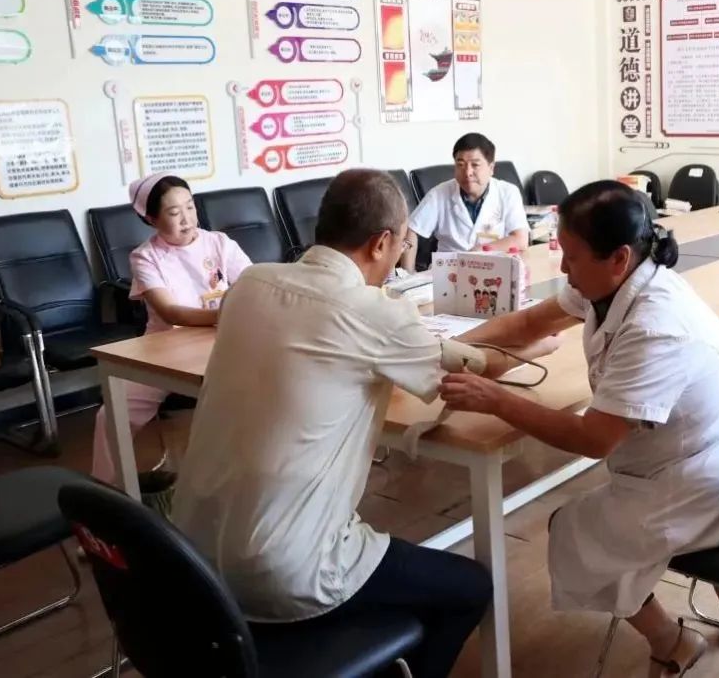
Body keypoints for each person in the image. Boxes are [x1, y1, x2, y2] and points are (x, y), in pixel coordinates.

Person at [170, 169, 559, 678]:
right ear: (380, 243)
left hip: (190, 559)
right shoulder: (374, 312)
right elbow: (466, 369)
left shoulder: (250, 284)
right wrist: (533, 349)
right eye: (401, 245)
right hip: (282, 570)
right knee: (468, 588)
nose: (399, 256)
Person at [439, 181, 719, 677]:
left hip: (701, 484)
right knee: (604, 527)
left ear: (618, 257)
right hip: (688, 461)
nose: (563, 268)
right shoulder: (618, 280)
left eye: (571, 257)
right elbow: (527, 325)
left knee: (571, 533)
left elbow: (593, 440)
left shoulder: (656, 325)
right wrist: (448, 347)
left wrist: (496, 399)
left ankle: (674, 641)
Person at [90, 173, 253, 484]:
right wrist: (226, 314)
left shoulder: (219, 243)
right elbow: (170, 312)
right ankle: (108, 490)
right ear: (151, 219)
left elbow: (252, 285)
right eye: (174, 212)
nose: (187, 219)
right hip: (165, 347)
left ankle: (240, 483)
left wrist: (235, 315)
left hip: (225, 338)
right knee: (111, 415)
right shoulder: (145, 256)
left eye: (190, 207)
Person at [401, 132, 528, 271]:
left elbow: (520, 240)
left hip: (492, 270)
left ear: (491, 168)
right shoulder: (439, 194)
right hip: (448, 272)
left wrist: (479, 251)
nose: (467, 172)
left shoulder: (508, 192)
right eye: (460, 165)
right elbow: (412, 230)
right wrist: (408, 275)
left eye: (475, 165)